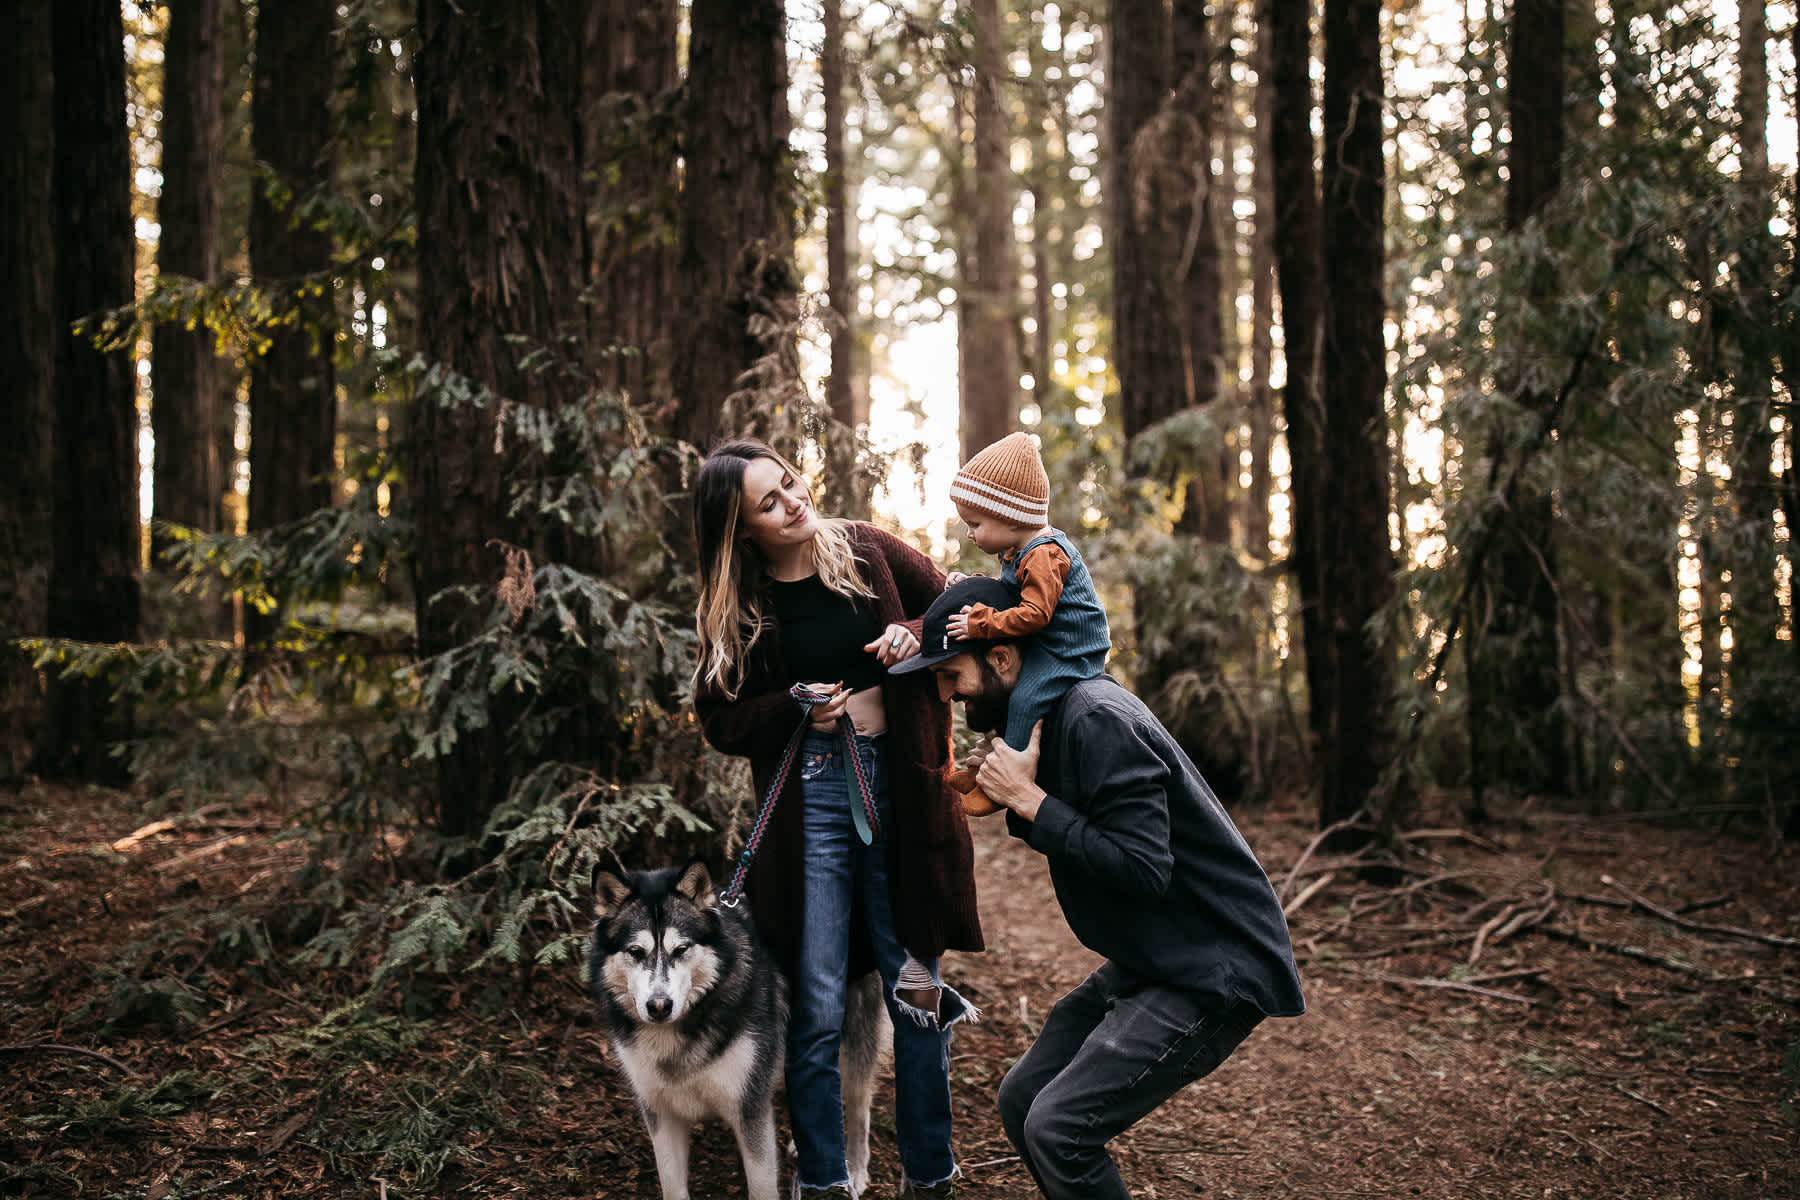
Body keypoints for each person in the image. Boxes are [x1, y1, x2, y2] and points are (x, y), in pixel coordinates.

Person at [891, 577, 1306, 1200]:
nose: (948, 697)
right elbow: (1089, 830)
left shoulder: (1094, 717)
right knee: (1022, 1097)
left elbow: (1143, 869)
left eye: (952, 678)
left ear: (1001, 656)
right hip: (1159, 952)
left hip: (1215, 964)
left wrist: (1030, 800)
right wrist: (1018, 796)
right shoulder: (1046, 717)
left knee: (1059, 1128)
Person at [691, 439, 983, 1200]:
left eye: (789, 482)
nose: (794, 501)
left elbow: (958, 601)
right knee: (815, 1004)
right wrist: (792, 709)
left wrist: (915, 635)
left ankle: (929, 1176)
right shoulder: (745, 609)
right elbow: (718, 717)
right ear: (740, 530)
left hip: (902, 792)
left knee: (916, 989)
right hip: (809, 808)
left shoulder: (863, 548)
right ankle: (822, 1181)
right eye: (770, 502)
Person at [939, 433, 1110, 816]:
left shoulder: (1045, 555)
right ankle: (987, 769)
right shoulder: (1018, 552)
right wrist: (969, 587)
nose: (970, 532)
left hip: (1070, 648)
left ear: (1008, 515)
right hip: (1048, 640)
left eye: (975, 523)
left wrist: (980, 623)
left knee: (1026, 698)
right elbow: (1008, 594)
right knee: (1002, 694)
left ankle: (1005, 783)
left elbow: (1034, 614)